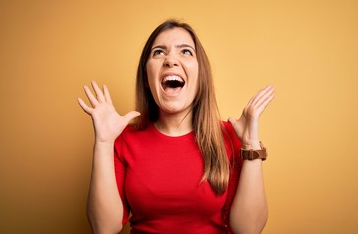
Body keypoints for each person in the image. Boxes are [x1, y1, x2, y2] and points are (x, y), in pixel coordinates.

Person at [78, 19, 275, 234]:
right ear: (146, 77)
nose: (171, 60)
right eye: (159, 52)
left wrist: (250, 144)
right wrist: (104, 143)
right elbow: (103, 229)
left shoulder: (229, 137)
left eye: (186, 52)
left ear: (201, 76)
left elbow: (249, 230)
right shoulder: (124, 139)